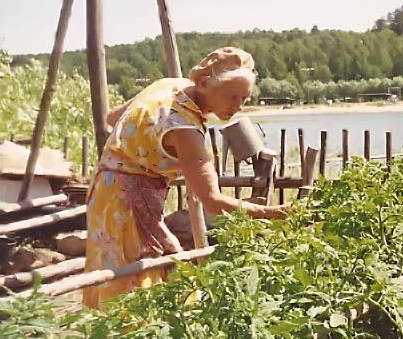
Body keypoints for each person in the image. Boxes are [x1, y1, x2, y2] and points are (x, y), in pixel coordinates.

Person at [82, 46, 287, 308]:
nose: (238, 107)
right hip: (126, 206)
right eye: (232, 97)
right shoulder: (185, 129)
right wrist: (278, 213)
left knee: (126, 268)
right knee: (133, 281)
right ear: (203, 84)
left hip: (105, 191)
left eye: (244, 99)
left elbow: (114, 118)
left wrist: (146, 154)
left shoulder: (168, 86)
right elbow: (212, 201)